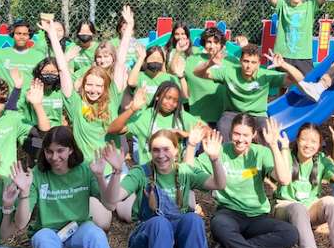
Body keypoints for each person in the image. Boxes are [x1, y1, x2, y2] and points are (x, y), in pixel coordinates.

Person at [40, 13, 134, 228]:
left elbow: (119, 65)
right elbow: (63, 68)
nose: (93, 89)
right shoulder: (74, 103)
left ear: (106, 87)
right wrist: (53, 36)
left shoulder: (112, 99)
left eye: (98, 86)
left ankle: (117, 196)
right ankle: (96, 199)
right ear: (82, 86)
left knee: (127, 213)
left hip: (114, 169)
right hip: (89, 172)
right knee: (104, 222)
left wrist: (128, 29)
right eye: (89, 85)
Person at [205, 116, 301, 248]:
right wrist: (192, 146)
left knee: (290, 233)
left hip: (257, 217)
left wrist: (273, 145)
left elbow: (284, 179)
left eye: (245, 135)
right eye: (236, 134)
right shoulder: (219, 151)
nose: (240, 139)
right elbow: (190, 170)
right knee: (218, 225)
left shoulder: (261, 152)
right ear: (230, 133)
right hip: (229, 214)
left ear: (253, 135)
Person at [194, 44, 306, 139]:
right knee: (223, 126)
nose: (249, 66)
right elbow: (198, 73)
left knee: (269, 134)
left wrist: (284, 65)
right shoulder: (229, 72)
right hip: (232, 113)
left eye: (253, 62)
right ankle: (225, 161)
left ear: (259, 63)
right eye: (246, 61)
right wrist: (209, 63)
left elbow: (300, 80)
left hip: (258, 115)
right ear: (240, 61)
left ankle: (268, 163)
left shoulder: (265, 75)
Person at [108, 81, 200, 165]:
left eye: (175, 101)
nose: (171, 103)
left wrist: (185, 134)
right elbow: (113, 129)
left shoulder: (182, 116)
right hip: (149, 175)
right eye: (168, 98)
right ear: (157, 97)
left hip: (175, 174)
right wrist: (132, 109)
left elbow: (208, 133)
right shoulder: (144, 117)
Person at [0, 20, 51, 90]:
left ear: (29, 36)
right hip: (5, 102)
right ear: (13, 35)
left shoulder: (39, 56)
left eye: (25, 34)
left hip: (30, 101)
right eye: (18, 33)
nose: (21, 37)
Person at [20, 57, 66, 162]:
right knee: (39, 160)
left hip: (56, 136)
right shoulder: (30, 91)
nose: (50, 74)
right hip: (36, 136)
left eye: (53, 72)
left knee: (56, 162)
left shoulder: (60, 92)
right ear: (39, 73)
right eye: (46, 72)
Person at [182, 27, 228, 128]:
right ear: (204, 43)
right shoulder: (192, 59)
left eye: (216, 42)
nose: (212, 46)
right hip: (198, 117)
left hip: (224, 118)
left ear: (222, 44)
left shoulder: (231, 61)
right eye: (209, 42)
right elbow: (175, 70)